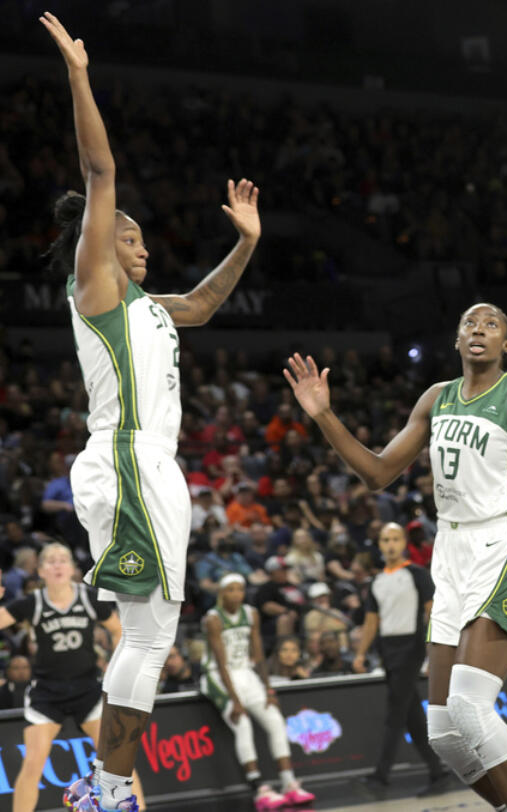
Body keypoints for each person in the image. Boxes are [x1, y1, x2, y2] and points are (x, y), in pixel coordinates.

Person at [38, 14, 261, 812]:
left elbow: (201, 304)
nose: (140, 248)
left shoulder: (150, 307)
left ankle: (106, 789)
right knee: (149, 637)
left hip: (148, 465)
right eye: (130, 240)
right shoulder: (95, 287)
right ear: (108, 247)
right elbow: (101, 171)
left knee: (150, 635)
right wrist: (77, 74)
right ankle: (106, 790)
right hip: (127, 456)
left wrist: (247, 243)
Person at [284, 303, 507, 812]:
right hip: (449, 551)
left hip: (497, 543)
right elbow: (378, 473)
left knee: (471, 710)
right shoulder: (436, 398)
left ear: (506, 345)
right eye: (470, 323)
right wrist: (323, 415)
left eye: (492, 325)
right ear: (456, 339)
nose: (479, 330)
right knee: (443, 731)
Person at [0, 544, 142, 812]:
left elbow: (118, 630)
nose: (57, 565)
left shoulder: (89, 598)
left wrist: (115, 665)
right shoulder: (32, 603)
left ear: (72, 569)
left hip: (87, 689)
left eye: (63, 560)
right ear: (40, 570)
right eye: (50, 561)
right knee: (32, 764)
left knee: (118, 764)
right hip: (46, 693)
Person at [202, 574, 314, 810]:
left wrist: (268, 689)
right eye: (231, 589)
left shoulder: (251, 613)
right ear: (222, 593)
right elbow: (221, 663)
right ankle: (259, 789)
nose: (236, 594)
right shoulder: (213, 619)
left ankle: (289, 783)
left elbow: (259, 654)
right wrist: (235, 701)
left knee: (275, 721)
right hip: (217, 675)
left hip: (245, 672)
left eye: (240, 589)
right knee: (242, 723)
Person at [350, 522, 444, 790]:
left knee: (395, 712)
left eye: (394, 539)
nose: (390, 544)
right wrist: (360, 654)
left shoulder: (417, 574)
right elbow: (371, 621)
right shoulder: (377, 581)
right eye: (385, 540)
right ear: (379, 545)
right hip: (387, 649)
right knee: (411, 714)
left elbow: (432, 612)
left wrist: (433, 652)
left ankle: (381, 776)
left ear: (403, 543)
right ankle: (438, 772)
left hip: (411, 646)